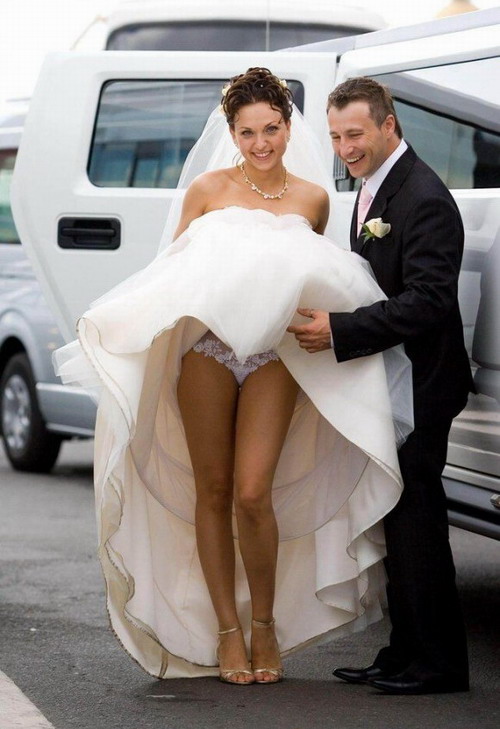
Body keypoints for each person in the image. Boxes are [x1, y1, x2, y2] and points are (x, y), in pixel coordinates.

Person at [53, 68, 413, 685]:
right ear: (232, 133)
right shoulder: (206, 190)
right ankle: (227, 630)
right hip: (208, 353)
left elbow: (316, 277)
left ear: (288, 127)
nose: (260, 144)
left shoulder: (313, 200)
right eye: (247, 133)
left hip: (276, 356)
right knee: (213, 492)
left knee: (252, 492)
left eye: (271, 129)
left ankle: (265, 624)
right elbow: (172, 277)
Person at [288, 76, 473, 695]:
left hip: (422, 382)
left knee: (418, 523)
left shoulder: (424, 196)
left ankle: (439, 664)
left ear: (389, 125)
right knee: (396, 519)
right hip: (392, 378)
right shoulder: (376, 185)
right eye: (337, 136)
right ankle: (403, 652)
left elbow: (428, 301)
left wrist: (340, 330)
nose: (345, 148)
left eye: (356, 134)